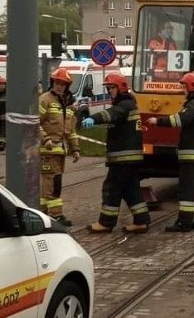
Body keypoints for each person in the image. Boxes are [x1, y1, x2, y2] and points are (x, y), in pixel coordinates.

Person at [81, 72, 151, 234]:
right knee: (130, 189)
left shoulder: (125, 105)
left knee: (111, 188)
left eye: (112, 87)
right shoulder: (128, 104)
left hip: (123, 158)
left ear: (121, 88)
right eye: (108, 88)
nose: (110, 91)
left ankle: (106, 222)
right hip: (129, 159)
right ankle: (141, 221)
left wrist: (94, 118)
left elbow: (111, 115)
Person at [146, 72, 194, 232]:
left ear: (192, 87)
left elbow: (180, 120)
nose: (183, 90)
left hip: (191, 156)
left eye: (184, 86)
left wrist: (157, 121)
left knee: (187, 191)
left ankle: (184, 223)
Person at [38, 67, 81, 226]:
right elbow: (35, 122)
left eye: (63, 84)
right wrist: (45, 139)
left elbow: (70, 130)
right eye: (57, 83)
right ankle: (56, 215)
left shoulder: (68, 104)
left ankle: (42, 213)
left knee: (52, 183)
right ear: (52, 83)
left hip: (60, 151)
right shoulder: (45, 99)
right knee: (52, 183)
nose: (59, 86)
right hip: (48, 151)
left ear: (67, 86)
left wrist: (75, 149)